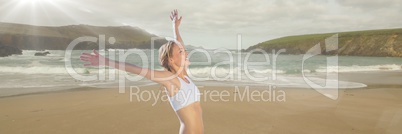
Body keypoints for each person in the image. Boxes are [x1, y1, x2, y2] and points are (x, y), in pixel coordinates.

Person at [79, 9, 204, 134]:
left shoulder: (184, 76)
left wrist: (175, 27)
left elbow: (179, 44)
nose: (186, 53)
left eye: (184, 50)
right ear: (171, 60)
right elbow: (138, 70)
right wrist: (105, 61)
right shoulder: (170, 79)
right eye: (181, 52)